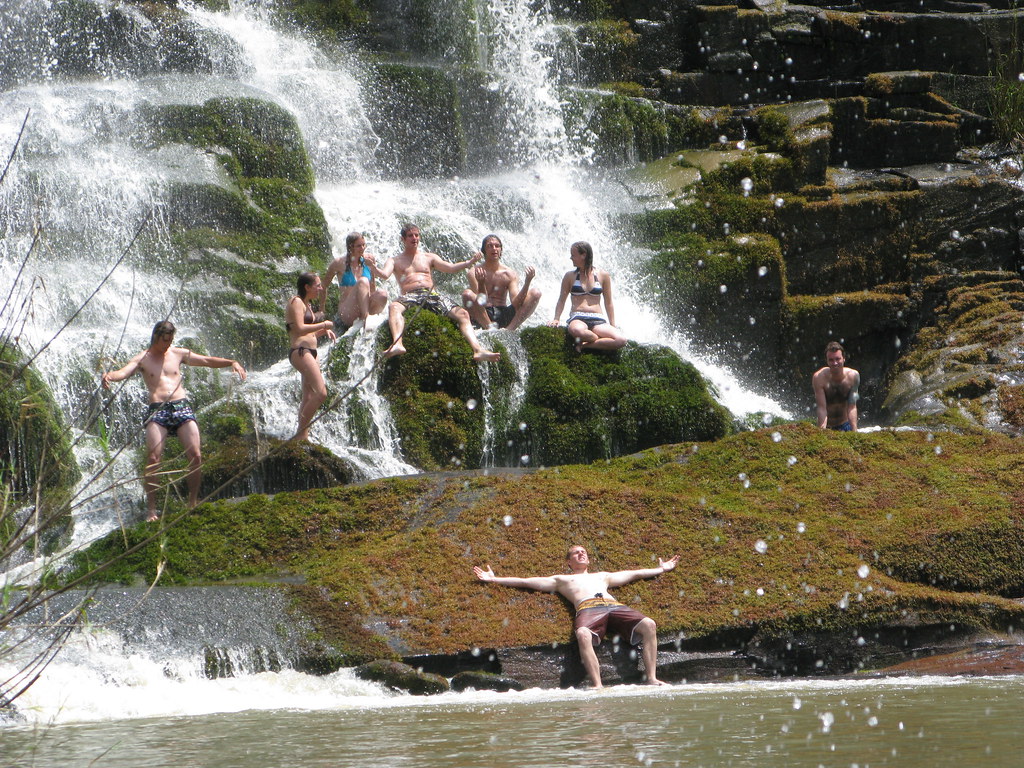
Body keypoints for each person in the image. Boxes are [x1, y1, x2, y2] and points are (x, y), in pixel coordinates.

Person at [473, 545, 679, 688]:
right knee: (582, 633)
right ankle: (597, 684)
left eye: (584, 552)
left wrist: (661, 569)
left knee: (649, 624)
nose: (581, 554)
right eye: (576, 553)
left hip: (613, 605)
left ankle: (651, 677)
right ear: (569, 562)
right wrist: (495, 579)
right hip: (588, 608)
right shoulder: (561, 579)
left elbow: (635, 573)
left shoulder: (603, 576)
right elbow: (526, 581)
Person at [101, 320, 246, 521]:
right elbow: (123, 372)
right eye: (164, 341)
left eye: (170, 340)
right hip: (157, 410)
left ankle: (192, 502)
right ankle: (151, 510)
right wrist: (109, 376)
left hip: (181, 406)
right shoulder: (143, 358)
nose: (167, 345)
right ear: (155, 338)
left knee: (195, 454)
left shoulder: (177, 354)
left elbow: (206, 360)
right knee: (153, 459)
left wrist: (231, 362)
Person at [375, 223, 500, 363]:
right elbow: (384, 274)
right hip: (410, 296)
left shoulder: (429, 257)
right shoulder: (394, 260)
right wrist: (372, 266)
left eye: (417, 235)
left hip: (431, 295)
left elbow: (451, 268)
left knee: (463, 314)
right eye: (410, 235)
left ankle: (478, 350)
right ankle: (397, 344)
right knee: (394, 307)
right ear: (403, 239)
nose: (414, 238)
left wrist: (469, 262)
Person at [549, 241, 626, 351]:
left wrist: (613, 325)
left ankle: (586, 345)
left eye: (573, 255)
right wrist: (556, 319)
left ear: (583, 255)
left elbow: (608, 303)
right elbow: (562, 300)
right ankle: (596, 338)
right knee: (577, 331)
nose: (571, 258)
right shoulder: (570, 276)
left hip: (598, 319)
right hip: (578, 317)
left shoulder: (603, 275)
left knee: (621, 340)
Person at [286, 271, 336, 442]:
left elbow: (310, 332)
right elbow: (299, 329)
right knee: (321, 392)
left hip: (312, 351)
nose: (320, 288)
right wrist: (323, 324)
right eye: (317, 285)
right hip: (301, 351)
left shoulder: (307, 305)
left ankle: (303, 436)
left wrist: (323, 331)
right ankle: (299, 432)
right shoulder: (296, 301)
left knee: (308, 395)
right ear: (307, 287)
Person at [461, 234, 541, 331]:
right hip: (483, 313)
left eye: (497, 246)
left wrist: (527, 283)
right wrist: (481, 283)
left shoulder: (510, 274)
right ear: (484, 251)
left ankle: (510, 329)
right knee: (467, 294)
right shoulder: (474, 272)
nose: (494, 249)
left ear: (501, 250)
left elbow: (516, 302)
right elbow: (481, 302)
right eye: (490, 246)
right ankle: (490, 329)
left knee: (536, 293)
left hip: (504, 314)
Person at [322, 231, 389, 333]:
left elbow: (372, 287)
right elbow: (323, 285)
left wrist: (372, 266)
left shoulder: (369, 259)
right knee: (362, 281)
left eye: (363, 245)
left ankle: (370, 317)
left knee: (382, 294)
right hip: (348, 311)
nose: (362, 248)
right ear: (350, 247)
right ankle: (366, 317)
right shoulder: (339, 263)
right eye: (358, 246)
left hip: (366, 305)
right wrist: (321, 310)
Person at [812, 340, 860, 431]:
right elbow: (822, 408)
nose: (835, 363)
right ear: (827, 361)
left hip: (845, 425)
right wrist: (822, 432)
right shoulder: (819, 378)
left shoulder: (853, 376)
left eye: (838, 359)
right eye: (831, 360)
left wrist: (854, 432)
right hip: (827, 427)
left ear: (844, 358)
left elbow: (852, 406)